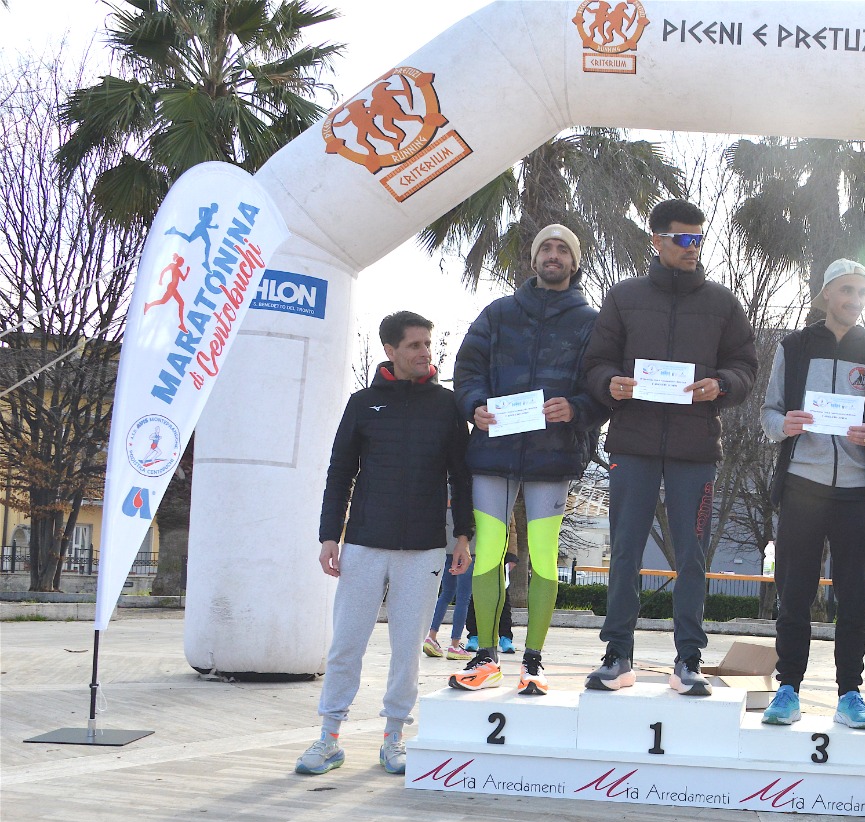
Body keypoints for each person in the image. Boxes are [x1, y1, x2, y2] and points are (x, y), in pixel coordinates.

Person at [581, 199, 758, 694]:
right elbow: (595, 363)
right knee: (624, 551)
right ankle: (618, 656)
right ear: (656, 241)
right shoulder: (623, 297)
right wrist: (609, 383)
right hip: (632, 444)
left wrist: (721, 385)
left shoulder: (723, 302)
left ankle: (689, 660)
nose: (693, 247)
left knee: (692, 555)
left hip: (695, 449)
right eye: (683, 238)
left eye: (699, 238)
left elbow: (746, 366)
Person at [296, 311, 472, 776]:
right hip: (364, 544)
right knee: (346, 644)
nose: (424, 352)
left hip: (425, 547)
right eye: (414, 345)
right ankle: (329, 738)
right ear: (390, 350)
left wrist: (463, 536)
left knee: (407, 648)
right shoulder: (362, 403)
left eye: (427, 343)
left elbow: (462, 476)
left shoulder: (447, 405)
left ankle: (394, 737)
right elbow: (339, 473)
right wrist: (329, 535)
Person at [448, 224, 602, 696]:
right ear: (534, 259)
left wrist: (576, 408)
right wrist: (474, 405)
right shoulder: (498, 313)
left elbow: (602, 386)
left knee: (545, 556)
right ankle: (486, 655)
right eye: (545, 248)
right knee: (489, 551)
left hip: (553, 457)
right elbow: (466, 369)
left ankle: (533, 660)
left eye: (562, 250)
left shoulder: (591, 322)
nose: (553, 255)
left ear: (574, 262)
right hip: (493, 453)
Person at [760, 259, 865, 729]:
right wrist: (785, 425)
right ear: (825, 295)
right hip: (802, 485)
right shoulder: (794, 347)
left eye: (861, 292)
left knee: (855, 597)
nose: (855, 300)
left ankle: (850, 694)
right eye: (846, 290)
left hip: (857, 492)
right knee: (794, 593)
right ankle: (787, 689)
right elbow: (768, 414)